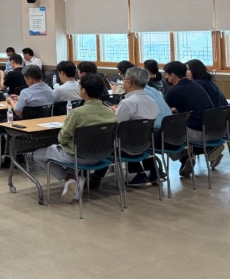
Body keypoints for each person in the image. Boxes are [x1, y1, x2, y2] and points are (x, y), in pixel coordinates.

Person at [38, 74, 117, 203]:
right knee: (70, 152)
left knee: (39, 155)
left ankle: (69, 179)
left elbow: (62, 139)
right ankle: (73, 178)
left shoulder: (77, 113)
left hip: (79, 156)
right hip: (101, 155)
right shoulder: (110, 112)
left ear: (83, 91)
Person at [90, 68, 162, 189]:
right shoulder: (151, 101)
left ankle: (96, 177)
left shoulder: (127, 103)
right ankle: (145, 174)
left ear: (128, 83)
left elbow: (116, 125)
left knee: (103, 141)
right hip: (146, 145)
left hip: (125, 147)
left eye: (123, 80)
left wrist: (114, 111)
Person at [163, 61, 222, 174]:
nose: (166, 78)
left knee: (164, 133)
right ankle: (190, 155)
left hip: (198, 133)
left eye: (166, 75)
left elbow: (162, 112)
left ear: (172, 76)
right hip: (212, 130)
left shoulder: (174, 91)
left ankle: (185, 155)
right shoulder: (195, 85)